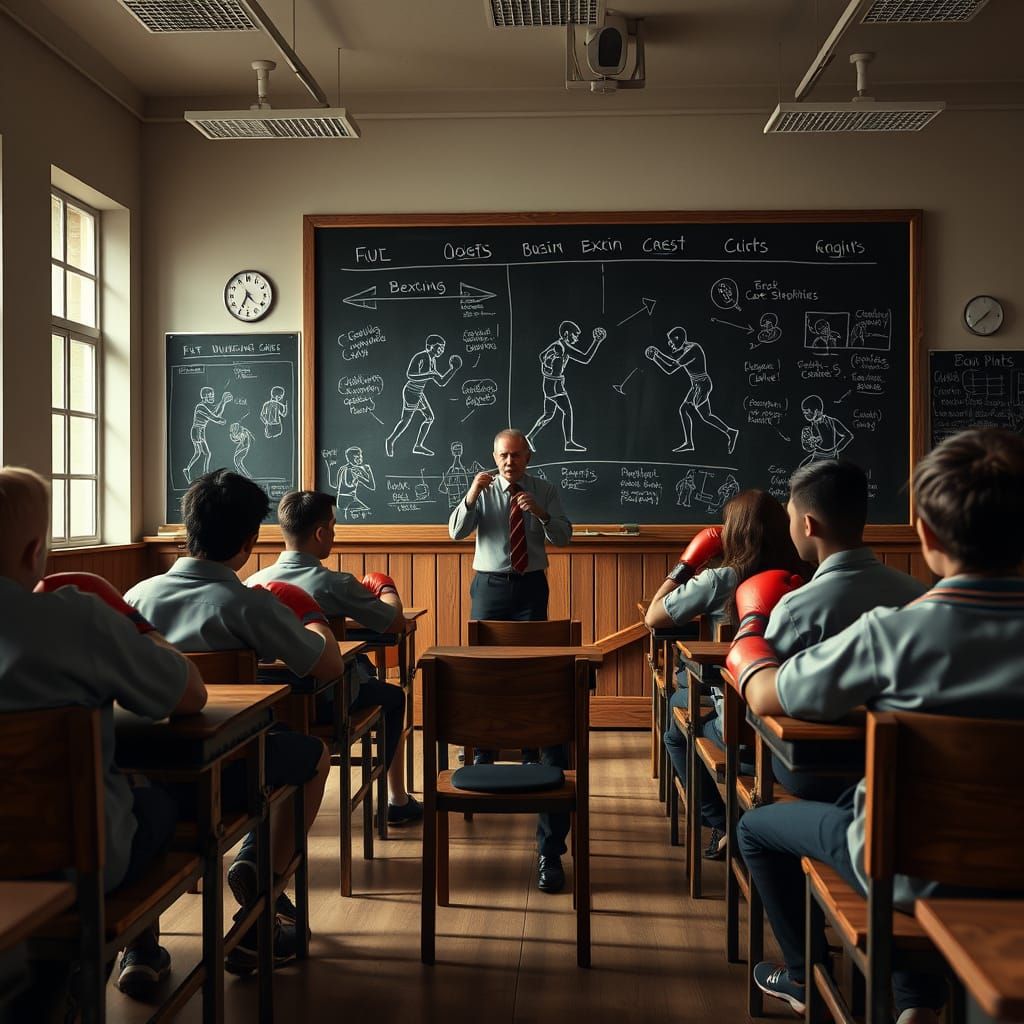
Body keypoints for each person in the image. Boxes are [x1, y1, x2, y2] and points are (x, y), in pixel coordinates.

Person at [729, 428, 1024, 1023]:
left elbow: (763, 693)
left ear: (928, 534)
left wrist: (751, 627)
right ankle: (918, 1000)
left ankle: (805, 977)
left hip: (910, 871)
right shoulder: (903, 605)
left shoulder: (894, 634)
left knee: (758, 827)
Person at [0, 467, 208, 1013]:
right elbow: (188, 695)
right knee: (152, 802)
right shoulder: (77, 619)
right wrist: (150, 637)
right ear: (33, 553)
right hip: (74, 859)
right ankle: (117, 961)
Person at [125, 470, 338, 975]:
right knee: (313, 756)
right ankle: (258, 906)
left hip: (142, 778)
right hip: (232, 773)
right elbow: (325, 668)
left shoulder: (134, 598)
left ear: (187, 528)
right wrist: (315, 621)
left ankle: (141, 947)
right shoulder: (249, 605)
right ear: (249, 542)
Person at [644, 490, 807, 858]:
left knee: (675, 716)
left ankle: (720, 821)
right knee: (686, 690)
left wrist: (687, 564)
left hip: (739, 723)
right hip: (802, 718)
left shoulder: (722, 578)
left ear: (734, 532)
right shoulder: (807, 575)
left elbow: (652, 617)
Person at [246, 489, 422, 824]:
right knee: (393, 695)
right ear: (321, 533)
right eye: (334, 525)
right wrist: (386, 588)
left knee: (363, 666)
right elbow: (394, 622)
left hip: (266, 705)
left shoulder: (253, 583)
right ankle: (395, 800)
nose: (335, 532)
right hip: (326, 702)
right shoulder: (333, 582)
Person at [448, 428, 573, 893]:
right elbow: (455, 531)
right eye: (502, 456)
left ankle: (528, 745)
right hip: (489, 584)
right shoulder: (481, 487)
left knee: (529, 671)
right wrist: (471, 494)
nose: (509, 463)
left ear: (528, 457)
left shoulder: (544, 491)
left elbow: (565, 538)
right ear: (493, 456)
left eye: (516, 456)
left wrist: (539, 513)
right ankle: (484, 743)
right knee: (485, 671)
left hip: (530, 586)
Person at [763, 460, 927, 801]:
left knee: (752, 825)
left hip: (819, 770)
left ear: (807, 525)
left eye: (790, 517)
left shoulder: (796, 608)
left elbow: (765, 697)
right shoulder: (920, 597)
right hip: (908, 770)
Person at [645, 326, 739, 455]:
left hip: (702, 385)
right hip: (696, 385)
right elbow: (672, 359)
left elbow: (670, 369)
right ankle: (690, 442)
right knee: (685, 410)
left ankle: (730, 433)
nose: (670, 344)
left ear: (678, 339)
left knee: (705, 415)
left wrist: (655, 357)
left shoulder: (692, 350)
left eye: (671, 341)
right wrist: (657, 353)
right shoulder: (685, 347)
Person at [525, 320, 607, 453]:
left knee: (548, 414)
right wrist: (596, 341)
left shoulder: (556, 344)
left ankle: (530, 436)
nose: (577, 338)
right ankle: (569, 442)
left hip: (548, 383)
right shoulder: (564, 346)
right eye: (575, 335)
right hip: (555, 385)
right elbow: (586, 358)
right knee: (567, 411)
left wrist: (547, 369)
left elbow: (541, 356)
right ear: (567, 334)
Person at [384, 334, 462, 457]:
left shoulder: (433, 360)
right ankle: (390, 440)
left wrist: (453, 369)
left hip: (419, 394)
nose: (441, 350)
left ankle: (418, 446)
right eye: (438, 347)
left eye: (442, 348)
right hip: (411, 392)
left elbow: (441, 382)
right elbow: (410, 375)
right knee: (406, 420)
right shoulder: (421, 357)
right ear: (429, 346)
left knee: (429, 418)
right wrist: (429, 374)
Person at [184, 386, 232, 484]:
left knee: (198, 453)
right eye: (210, 396)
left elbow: (216, 414)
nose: (212, 398)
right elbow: (214, 418)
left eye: (213, 395)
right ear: (204, 397)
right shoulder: (200, 407)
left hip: (199, 430)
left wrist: (223, 402)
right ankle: (205, 473)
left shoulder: (205, 406)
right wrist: (220, 419)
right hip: (197, 431)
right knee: (206, 453)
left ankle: (188, 469)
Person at [798, 394, 853, 467]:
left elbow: (848, 435)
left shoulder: (832, 422)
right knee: (801, 470)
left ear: (816, 411)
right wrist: (810, 444)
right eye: (803, 412)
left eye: (807, 411)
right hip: (817, 457)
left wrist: (836, 449)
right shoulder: (808, 427)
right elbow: (807, 447)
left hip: (832, 458)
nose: (805, 414)